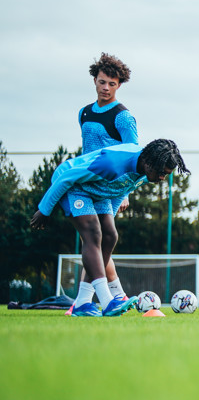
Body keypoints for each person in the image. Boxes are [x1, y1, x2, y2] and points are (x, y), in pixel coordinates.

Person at [30, 140, 188, 317]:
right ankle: (107, 301)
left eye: (166, 174)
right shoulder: (111, 163)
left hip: (99, 190)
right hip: (74, 187)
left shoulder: (145, 171)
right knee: (93, 232)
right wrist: (45, 209)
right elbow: (66, 177)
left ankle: (82, 303)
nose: (162, 178)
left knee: (110, 236)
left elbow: (121, 189)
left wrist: (108, 220)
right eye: (161, 173)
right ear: (149, 163)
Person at [68, 53, 139, 315]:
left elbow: (133, 155)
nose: (106, 88)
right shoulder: (84, 113)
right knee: (96, 239)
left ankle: (91, 299)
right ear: (94, 81)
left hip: (111, 188)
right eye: (102, 82)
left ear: (119, 85)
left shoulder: (123, 117)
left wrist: (125, 192)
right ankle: (107, 298)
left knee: (102, 239)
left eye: (111, 83)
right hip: (85, 184)